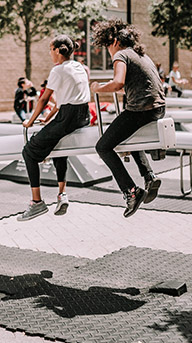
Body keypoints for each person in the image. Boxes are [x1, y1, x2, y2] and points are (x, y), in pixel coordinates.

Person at [90, 20, 166, 218]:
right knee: (127, 137)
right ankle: (149, 176)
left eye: (107, 45)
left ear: (114, 41)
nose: (108, 50)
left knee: (103, 147)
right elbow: (137, 82)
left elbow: (118, 82)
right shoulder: (141, 55)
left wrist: (97, 88)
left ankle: (131, 191)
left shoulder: (121, 54)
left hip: (141, 110)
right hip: (158, 108)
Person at [17, 35, 90, 221]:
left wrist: (30, 121)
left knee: (28, 152)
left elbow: (44, 98)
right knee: (59, 148)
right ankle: (61, 194)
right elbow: (63, 100)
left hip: (68, 118)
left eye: (50, 50)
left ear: (58, 50)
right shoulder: (78, 66)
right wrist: (48, 118)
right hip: (83, 116)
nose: (50, 53)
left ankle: (36, 202)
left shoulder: (58, 70)